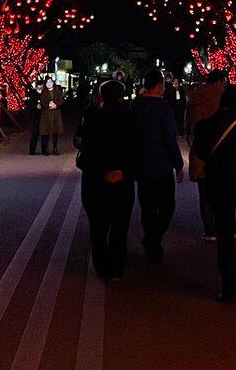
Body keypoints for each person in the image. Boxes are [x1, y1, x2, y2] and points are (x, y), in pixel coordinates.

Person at [194, 85, 236, 303]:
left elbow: (201, 151)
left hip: (218, 184)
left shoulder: (204, 126)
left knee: (224, 237)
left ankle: (229, 289)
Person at [75, 80, 138, 280]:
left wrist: (101, 171)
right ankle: (117, 267)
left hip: (95, 179)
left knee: (98, 226)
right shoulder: (132, 118)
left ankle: (102, 266)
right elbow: (139, 149)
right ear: (122, 96)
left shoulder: (91, 116)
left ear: (100, 95)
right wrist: (123, 171)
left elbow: (82, 144)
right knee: (120, 226)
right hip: (122, 180)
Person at [131, 68, 184, 262]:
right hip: (161, 165)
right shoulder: (164, 107)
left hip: (141, 164)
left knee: (148, 207)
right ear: (160, 86)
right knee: (167, 206)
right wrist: (178, 164)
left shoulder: (135, 106)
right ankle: (153, 239)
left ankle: (151, 240)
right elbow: (170, 137)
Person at [186, 69, 226, 239]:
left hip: (200, 148)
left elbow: (187, 126)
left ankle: (209, 229)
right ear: (219, 81)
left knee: (204, 193)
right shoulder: (222, 96)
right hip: (221, 150)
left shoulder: (195, 96)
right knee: (221, 191)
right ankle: (222, 225)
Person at [39, 76, 64, 155]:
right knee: (46, 131)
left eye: (50, 82)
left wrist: (56, 105)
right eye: (47, 82)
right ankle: (45, 148)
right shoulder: (44, 92)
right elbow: (42, 102)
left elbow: (61, 100)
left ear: (53, 82)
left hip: (56, 113)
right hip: (46, 114)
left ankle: (55, 147)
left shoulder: (57, 91)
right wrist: (48, 105)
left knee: (55, 131)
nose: (49, 83)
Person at [28, 79, 44, 155]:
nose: (40, 87)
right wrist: (35, 106)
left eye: (42, 86)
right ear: (37, 86)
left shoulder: (44, 93)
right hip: (35, 116)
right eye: (39, 85)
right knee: (35, 133)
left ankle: (44, 149)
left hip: (43, 116)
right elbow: (30, 105)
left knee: (44, 133)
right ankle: (32, 150)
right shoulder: (33, 93)